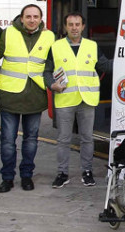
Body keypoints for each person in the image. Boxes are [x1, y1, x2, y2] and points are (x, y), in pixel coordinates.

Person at [45, 12, 110, 188]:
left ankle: (87, 172)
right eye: (70, 24)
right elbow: (47, 71)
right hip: (65, 99)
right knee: (64, 139)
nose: (74, 27)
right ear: (66, 27)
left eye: (77, 24)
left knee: (87, 138)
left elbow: (105, 65)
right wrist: (52, 85)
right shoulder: (56, 47)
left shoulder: (92, 46)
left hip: (87, 98)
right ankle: (62, 173)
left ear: (83, 26)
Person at [0, 4, 55, 193]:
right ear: (21, 18)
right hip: (10, 96)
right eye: (28, 16)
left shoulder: (49, 36)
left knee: (31, 140)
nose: (31, 20)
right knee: (7, 141)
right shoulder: (8, 33)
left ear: (41, 18)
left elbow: (54, 64)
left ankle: (26, 176)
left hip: (35, 96)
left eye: (35, 16)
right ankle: (7, 178)